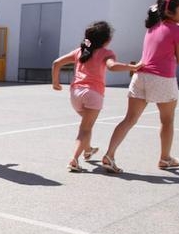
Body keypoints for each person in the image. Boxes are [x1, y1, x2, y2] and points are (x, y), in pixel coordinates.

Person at [102, 0, 179, 173]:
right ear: (170, 10)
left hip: (140, 76)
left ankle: (109, 155)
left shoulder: (153, 26)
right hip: (162, 79)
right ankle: (165, 158)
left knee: (129, 119)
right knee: (167, 120)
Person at [51, 21, 141, 172]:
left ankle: (88, 149)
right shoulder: (106, 53)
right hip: (93, 94)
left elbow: (56, 63)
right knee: (85, 128)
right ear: (107, 40)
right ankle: (74, 159)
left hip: (75, 94)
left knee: (87, 125)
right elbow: (112, 66)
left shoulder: (80, 51)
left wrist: (55, 82)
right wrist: (131, 67)